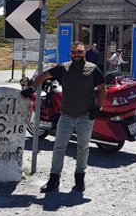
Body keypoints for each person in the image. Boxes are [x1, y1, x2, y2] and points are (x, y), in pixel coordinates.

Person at [21, 41, 106, 193]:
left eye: (79, 52)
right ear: (70, 53)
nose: (76, 54)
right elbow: (44, 75)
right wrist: (32, 88)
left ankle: (80, 179)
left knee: (83, 148)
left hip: (85, 116)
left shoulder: (93, 69)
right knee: (59, 147)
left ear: (84, 52)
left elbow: (102, 89)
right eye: (74, 52)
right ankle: (54, 179)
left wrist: (98, 107)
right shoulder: (63, 68)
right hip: (66, 115)